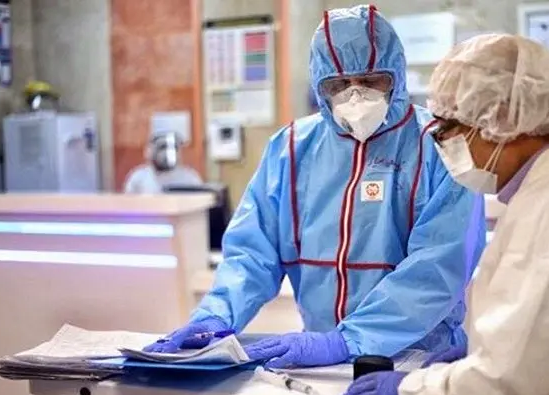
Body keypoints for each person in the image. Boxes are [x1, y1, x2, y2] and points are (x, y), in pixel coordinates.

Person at [144, 5, 486, 368]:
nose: (355, 97)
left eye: (372, 80)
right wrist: (217, 314)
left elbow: (438, 268)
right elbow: (253, 252)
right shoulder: (291, 148)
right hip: (320, 360)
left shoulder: (443, 145)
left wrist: (348, 340)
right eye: (338, 85)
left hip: (419, 361)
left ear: (397, 75)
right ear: (319, 86)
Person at [341, 33, 549, 395]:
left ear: (501, 117)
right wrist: (482, 351)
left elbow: (512, 385)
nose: (442, 144)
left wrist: (412, 393)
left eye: (448, 128)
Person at [124, 131, 203, 194]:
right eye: (163, 147)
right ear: (149, 151)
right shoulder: (138, 178)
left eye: (174, 147)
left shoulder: (190, 179)